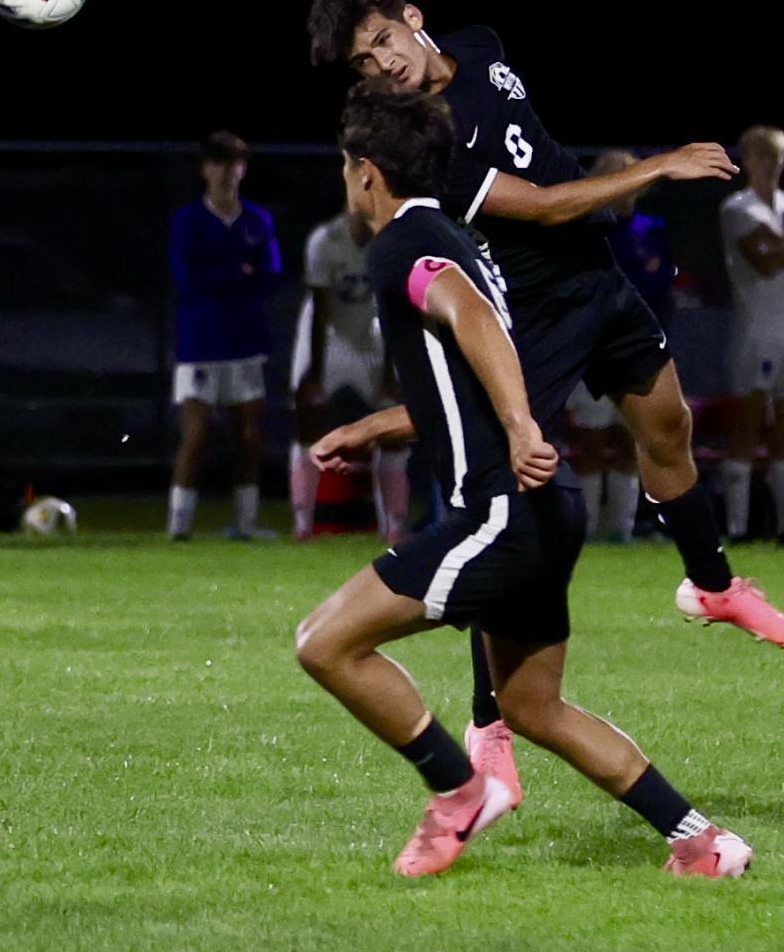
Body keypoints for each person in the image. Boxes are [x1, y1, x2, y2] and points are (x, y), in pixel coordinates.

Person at [307, 0, 784, 802]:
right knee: (507, 497)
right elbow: (541, 205)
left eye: (384, 41)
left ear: (414, 17)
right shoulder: (425, 143)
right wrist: (657, 166)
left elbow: (535, 151)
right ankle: (488, 724)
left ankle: (712, 587)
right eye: (364, 62)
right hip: (530, 310)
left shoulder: (481, 45)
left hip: (596, 281)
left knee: (670, 424)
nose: (383, 65)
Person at [297, 79, 752, 881]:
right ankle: (702, 842)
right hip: (548, 505)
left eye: (345, 165)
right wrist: (382, 426)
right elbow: (470, 365)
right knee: (534, 709)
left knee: (325, 644)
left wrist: (516, 427)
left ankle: (456, 789)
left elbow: (469, 317)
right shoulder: (464, 239)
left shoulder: (404, 244)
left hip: (498, 512)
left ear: (366, 171)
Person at [167, 131, 281, 541]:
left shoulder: (257, 219)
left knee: (250, 436)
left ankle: (246, 525)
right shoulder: (188, 220)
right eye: (217, 163)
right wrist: (238, 274)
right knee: (196, 436)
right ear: (205, 170)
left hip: (246, 342)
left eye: (233, 164)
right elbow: (188, 279)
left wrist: (235, 277)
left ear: (243, 170)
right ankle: (178, 526)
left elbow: (270, 275)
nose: (225, 173)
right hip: (200, 343)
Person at [566, 149, 677, 541]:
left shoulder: (652, 228)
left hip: (638, 347)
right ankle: (589, 526)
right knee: (592, 441)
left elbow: (662, 282)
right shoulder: (584, 225)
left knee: (631, 441)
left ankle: (623, 528)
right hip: (592, 347)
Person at [718, 125, 784, 543]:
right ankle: (737, 528)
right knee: (747, 428)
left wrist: (783, 247)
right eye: (763, 157)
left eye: (777, 158)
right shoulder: (736, 206)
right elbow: (761, 260)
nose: (772, 165)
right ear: (747, 160)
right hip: (754, 329)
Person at [289, 207, 410, 543]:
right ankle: (302, 523)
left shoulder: (391, 242)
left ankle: (394, 526)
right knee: (308, 419)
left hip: (371, 337)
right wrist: (314, 373)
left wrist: (390, 372)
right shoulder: (325, 240)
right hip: (330, 337)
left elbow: (391, 310)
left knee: (394, 422)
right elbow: (320, 309)